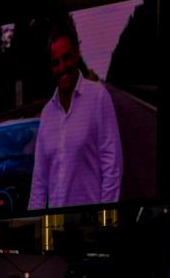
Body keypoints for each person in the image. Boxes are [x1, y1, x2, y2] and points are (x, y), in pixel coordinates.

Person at [28, 23, 122, 210]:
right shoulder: (47, 114)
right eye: (55, 62)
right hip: (56, 224)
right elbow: (39, 180)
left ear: (77, 54)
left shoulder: (98, 97)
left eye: (66, 58)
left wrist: (104, 218)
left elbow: (112, 167)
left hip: (90, 222)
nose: (61, 67)